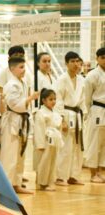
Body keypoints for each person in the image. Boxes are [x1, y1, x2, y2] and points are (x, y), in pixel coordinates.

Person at [0, 56, 39, 194]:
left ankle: (16, 184)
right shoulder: (11, 85)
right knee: (9, 155)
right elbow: (14, 105)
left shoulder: (22, 83)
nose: (24, 70)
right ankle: (5, 186)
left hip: (21, 121)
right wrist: (30, 98)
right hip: (12, 121)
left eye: (24, 67)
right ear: (12, 69)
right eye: (21, 67)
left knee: (20, 156)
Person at [55, 51, 87, 186]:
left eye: (77, 61)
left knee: (77, 148)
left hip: (78, 116)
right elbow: (58, 100)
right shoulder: (61, 79)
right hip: (66, 115)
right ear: (66, 63)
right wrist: (61, 119)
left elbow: (83, 101)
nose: (75, 64)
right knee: (65, 148)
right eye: (72, 61)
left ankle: (74, 176)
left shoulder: (81, 80)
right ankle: (60, 177)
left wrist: (84, 115)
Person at [34, 88, 63, 191]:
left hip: (54, 140)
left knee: (52, 162)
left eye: (55, 99)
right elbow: (38, 129)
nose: (53, 101)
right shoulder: (40, 113)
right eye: (51, 99)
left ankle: (49, 182)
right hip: (45, 141)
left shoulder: (55, 112)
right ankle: (42, 183)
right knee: (43, 162)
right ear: (43, 100)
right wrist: (40, 145)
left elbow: (58, 126)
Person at [83, 47, 105, 183]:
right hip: (97, 109)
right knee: (95, 142)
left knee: (104, 143)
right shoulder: (92, 75)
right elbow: (87, 97)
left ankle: (101, 171)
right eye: (103, 57)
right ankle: (93, 173)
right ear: (97, 59)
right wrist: (88, 112)